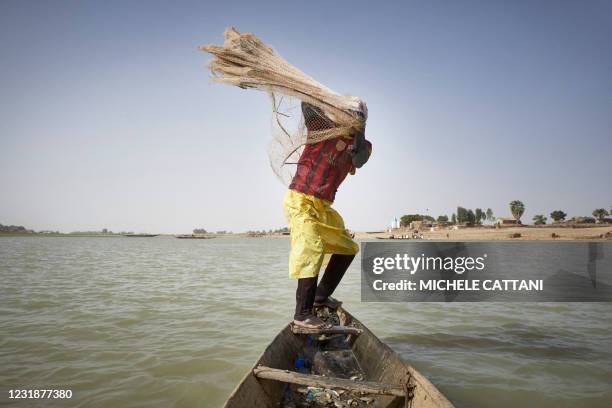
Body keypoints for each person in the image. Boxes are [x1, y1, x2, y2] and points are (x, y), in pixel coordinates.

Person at [284, 102, 371, 330]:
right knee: (310, 247)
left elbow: (359, 160)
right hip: (300, 200)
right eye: (350, 115)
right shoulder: (322, 128)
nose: (352, 120)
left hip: (323, 205)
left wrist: (359, 132)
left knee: (348, 247)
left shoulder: (362, 146)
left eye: (358, 118)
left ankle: (320, 297)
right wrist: (328, 100)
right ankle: (302, 314)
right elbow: (306, 104)